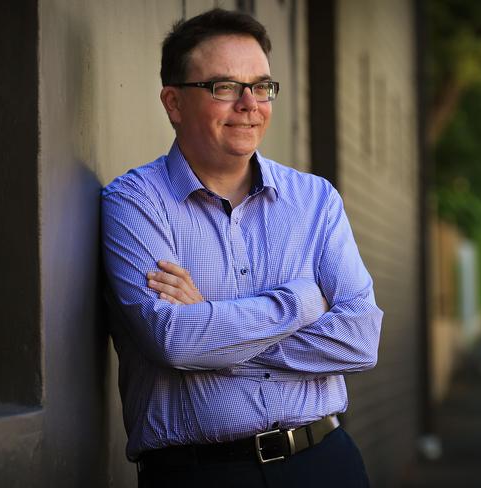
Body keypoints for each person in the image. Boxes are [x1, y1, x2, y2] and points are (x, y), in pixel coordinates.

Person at [101, 8, 383, 488]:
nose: (250, 103)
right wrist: (301, 302)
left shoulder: (315, 201)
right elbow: (172, 340)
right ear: (173, 102)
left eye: (262, 86)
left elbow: (360, 339)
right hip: (200, 475)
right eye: (225, 87)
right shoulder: (134, 202)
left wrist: (211, 316)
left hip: (325, 462)